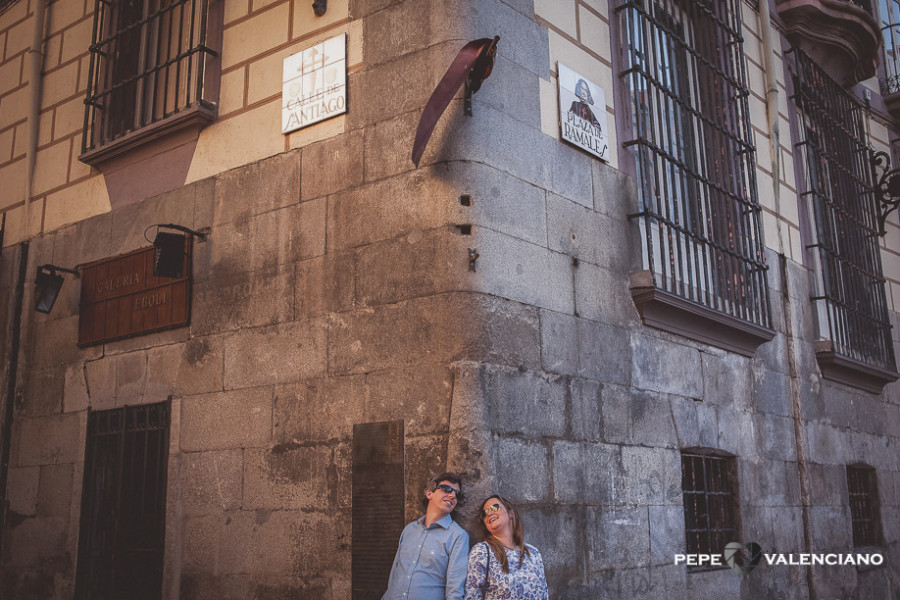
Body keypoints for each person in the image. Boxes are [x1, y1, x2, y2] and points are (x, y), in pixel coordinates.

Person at [383, 472, 470, 600]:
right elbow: (394, 574)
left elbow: (455, 591)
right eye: (447, 489)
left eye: (457, 494)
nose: (452, 495)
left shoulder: (458, 536)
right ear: (429, 493)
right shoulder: (409, 530)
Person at [463, 495, 549, 600]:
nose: (489, 513)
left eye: (494, 507)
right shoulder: (482, 552)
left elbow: (544, 594)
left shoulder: (533, 553)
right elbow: (472, 596)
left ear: (511, 513)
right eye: (484, 513)